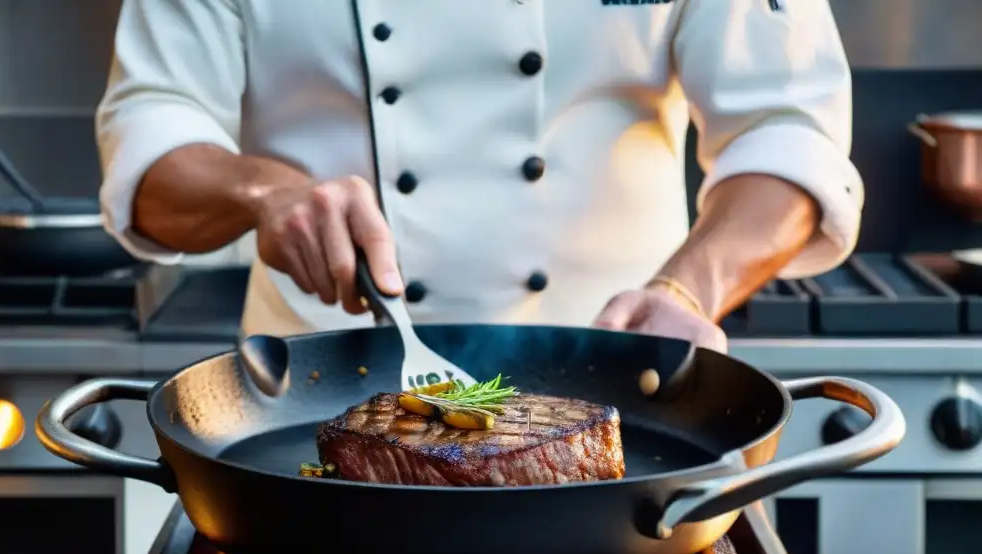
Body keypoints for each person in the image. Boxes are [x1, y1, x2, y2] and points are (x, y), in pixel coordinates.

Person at [97, 0, 862, 351]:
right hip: (306, 409)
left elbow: (786, 132)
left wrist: (689, 289)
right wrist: (268, 191)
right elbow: (154, 137)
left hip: (626, 398)